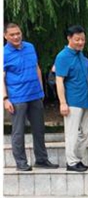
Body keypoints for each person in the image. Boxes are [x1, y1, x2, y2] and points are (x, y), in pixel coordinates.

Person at [2, 23, 59, 171]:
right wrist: (5, 98)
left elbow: (36, 68)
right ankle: (21, 162)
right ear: (5, 36)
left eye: (18, 33)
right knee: (18, 131)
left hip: (35, 95)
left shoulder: (30, 47)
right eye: (12, 34)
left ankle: (41, 159)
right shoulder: (4, 54)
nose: (16, 37)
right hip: (17, 98)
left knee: (39, 129)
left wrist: (41, 90)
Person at [54, 25, 88, 172]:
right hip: (72, 101)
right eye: (77, 39)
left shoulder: (81, 56)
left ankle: (77, 158)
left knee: (87, 131)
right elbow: (59, 80)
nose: (80, 42)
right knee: (71, 133)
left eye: (83, 39)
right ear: (69, 38)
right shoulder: (63, 57)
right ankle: (71, 163)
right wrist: (63, 103)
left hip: (85, 100)